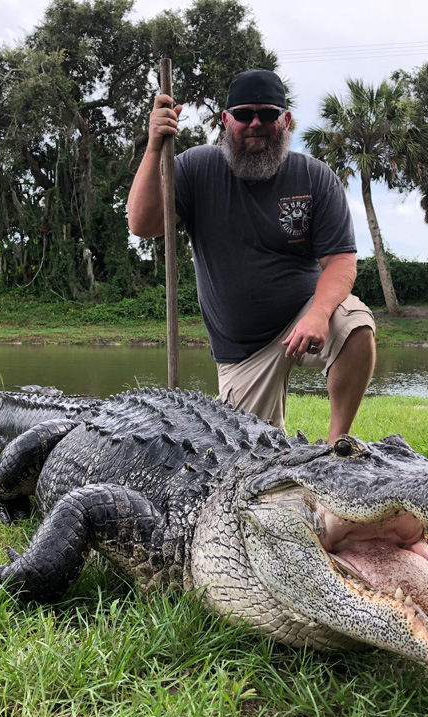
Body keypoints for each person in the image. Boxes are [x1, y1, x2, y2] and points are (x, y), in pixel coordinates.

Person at [127, 68, 376, 443]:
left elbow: (340, 261)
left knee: (356, 325)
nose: (255, 123)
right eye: (243, 114)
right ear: (226, 121)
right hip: (241, 349)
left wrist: (319, 315)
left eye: (268, 114)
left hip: (304, 314)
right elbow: (142, 223)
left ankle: (336, 446)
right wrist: (153, 147)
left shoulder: (315, 177)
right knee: (251, 457)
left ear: (286, 120)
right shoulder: (197, 168)